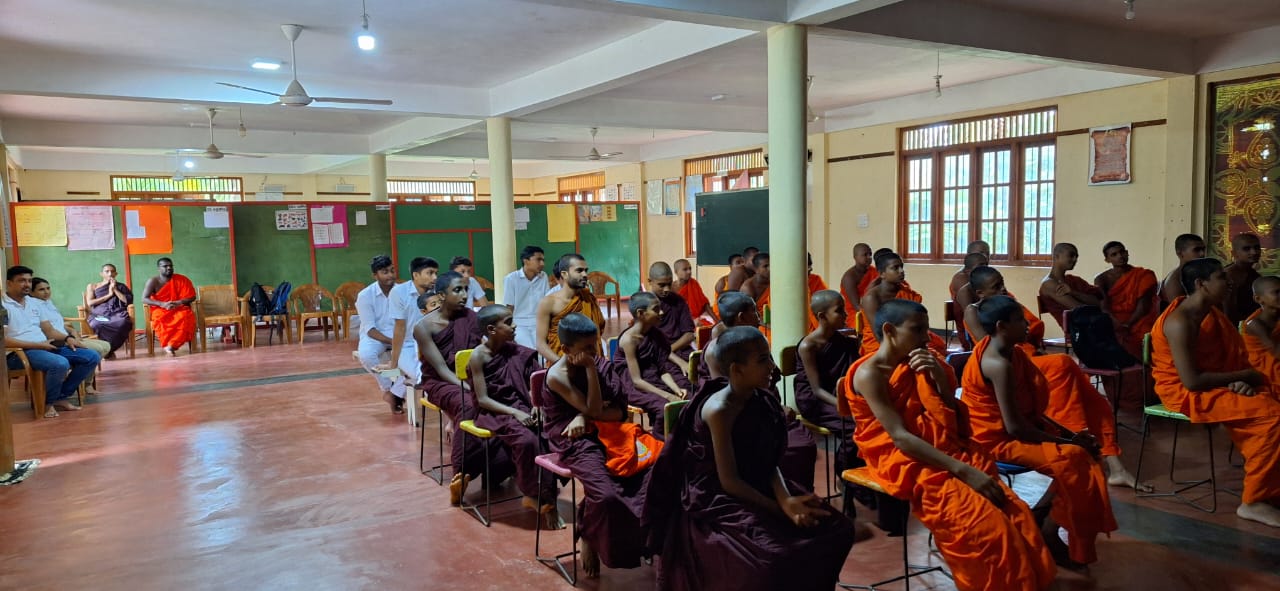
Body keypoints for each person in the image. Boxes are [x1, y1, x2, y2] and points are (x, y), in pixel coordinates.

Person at [845, 299, 1056, 591]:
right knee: (987, 528)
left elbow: (949, 419)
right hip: (902, 458)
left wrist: (940, 381)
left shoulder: (920, 362)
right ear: (890, 331)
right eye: (918, 330)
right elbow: (900, 437)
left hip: (942, 447)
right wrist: (964, 471)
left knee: (1017, 513)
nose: (926, 338)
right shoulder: (871, 374)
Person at [645, 326, 857, 590]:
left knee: (838, 530)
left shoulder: (760, 398)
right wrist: (780, 509)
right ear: (737, 370)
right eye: (763, 360)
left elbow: (767, 460)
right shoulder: (719, 410)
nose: (772, 367)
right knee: (773, 557)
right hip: (717, 493)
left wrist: (786, 499)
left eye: (769, 357)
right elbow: (729, 481)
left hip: (759, 481)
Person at [962, 295, 1118, 568]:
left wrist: (1070, 436)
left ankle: (1046, 517)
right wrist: (1069, 443)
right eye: (1020, 320)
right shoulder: (997, 365)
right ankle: (1048, 528)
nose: (1028, 325)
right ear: (1001, 326)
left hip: (1020, 429)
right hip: (994, 440)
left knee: (1087, 454)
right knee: (1074, 458)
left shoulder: (1015, 353)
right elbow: (1015, 427)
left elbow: (1030, 411)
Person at [963, 266, 1143, 491]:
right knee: (1063, 365)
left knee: (1091, 398)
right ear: (980, 293)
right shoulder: (982, 325)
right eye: (996, 286)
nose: (1003, 289)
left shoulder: (1010, 330)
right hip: (1001, 424)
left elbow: (1024, 339)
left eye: (1002, 283)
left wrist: (1071, 437)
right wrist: (1069, 439)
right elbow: (991, 343)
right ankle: (1080, 445)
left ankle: (1113, 463)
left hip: (1026, 358)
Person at [1152, 258, 1280, 527]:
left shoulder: (1212, 313)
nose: (1229, 282)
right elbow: (1191, 382)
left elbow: (1226, 362)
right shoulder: (1180, 321)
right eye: (1222, 277)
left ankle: (1271, 490)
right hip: (1184, 393)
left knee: (1272, 399)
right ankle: (1253, 501)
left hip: (1216, 384)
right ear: (1201, 284)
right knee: (1272, 416)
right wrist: (1243, 376)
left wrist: (1239, 380)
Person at [544, 313, 650, 576]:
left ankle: (646, 542)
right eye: (588, 348)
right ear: (566, 349)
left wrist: (585, 415)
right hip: (574, 439)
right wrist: (590, 372)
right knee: (607, 496)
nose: (595, 352)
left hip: (606, 429)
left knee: (649, 474)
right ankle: (587, 534)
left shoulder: (600, 364)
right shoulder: (558, 375)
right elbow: (595, 408)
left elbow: (619, 411)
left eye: (596, 344)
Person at [701, 290, 818, 491]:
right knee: (784, 450)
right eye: (755, 312)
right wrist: (774, 409)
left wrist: (774, 405)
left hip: (765, 407)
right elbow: (724, 389)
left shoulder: (753, 340)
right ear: (741, 317)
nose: (759, 316)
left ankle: (799, 494)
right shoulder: (717, 349)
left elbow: (771, 375)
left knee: (804, 444)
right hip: (741, 414)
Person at [414, 272, 513, 505]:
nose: (464, 295)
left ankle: (497, 468)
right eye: (457, 290)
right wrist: (471, 389)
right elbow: (441, 369)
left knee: (509, 399)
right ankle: (461, 472)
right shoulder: (424, 327)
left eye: (466, 289)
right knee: (470, 406)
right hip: (441, 383)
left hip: (474, 377)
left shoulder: (473, 318)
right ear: (441, 295)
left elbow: (490, 348)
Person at [468, 304, 562, 528]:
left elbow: (537, 382)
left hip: (522, 406)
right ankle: (536, 495)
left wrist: (537, 405)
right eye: (508, 322)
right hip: (494, 411)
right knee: (528, 440)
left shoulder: (517, 351)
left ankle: (546, 495)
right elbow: (483, 399)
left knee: (550, 433)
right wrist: (516, 412)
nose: (515, 326)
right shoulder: (478, 356)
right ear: (491, 329)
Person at [4, 266, 101, 418]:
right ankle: (48, 403)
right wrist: (39, 345)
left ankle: (60, 397)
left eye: (29, 281)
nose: (27, 284)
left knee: (91, 356)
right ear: (9, 283)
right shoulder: (3, 305)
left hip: (45, 346)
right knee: (60, 363)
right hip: (19, 352)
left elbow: (49, 330)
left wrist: (68, 339)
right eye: (22, 281)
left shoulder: (33, 303)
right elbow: (4, 340)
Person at [794, 289, 860, 471]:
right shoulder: (809, 346)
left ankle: (863, 472)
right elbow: (817, 390)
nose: (846, 314)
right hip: (815, 400)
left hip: (839, 394)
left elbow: (852, 375)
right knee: (854, 426)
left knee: (871, 419)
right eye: (839, 310)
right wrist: (846, 406)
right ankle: (844, 472)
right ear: (822, 316)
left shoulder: (844, 341)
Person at [613, 292, 690, 436]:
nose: (661, 312)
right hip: (633, 386)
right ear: (640, 313)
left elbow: (662, 370)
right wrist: (668, 396)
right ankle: (660, 443)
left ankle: (679, 441)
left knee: (687, 398)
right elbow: (636, 381)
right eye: (656, 309)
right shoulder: (629, 340)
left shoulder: (656, 335)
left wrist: (677, 390)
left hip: (653, 379)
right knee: (664, 407)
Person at [375, 256, 439, 414]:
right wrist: (394, 362)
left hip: (435, 342)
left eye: (436, 273)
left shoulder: (438, 291)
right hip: (408, 345)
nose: (434, 277)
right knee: (423, 375)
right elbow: (399, 329)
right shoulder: (399, 293)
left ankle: (395, 394)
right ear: (416, 275)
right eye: (430, 273)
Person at [859, 251, 946, 357]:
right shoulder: (871, 297)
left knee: (937, 348)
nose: (901, 271)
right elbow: (879, 334)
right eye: (895, 268)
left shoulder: (907, 293)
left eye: (901, 267)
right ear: (882, 274)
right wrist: (903, 350)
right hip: (881, 344)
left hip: (909, 337)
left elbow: (915, 321)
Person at [31, 277, 108, 394]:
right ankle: (85, 384)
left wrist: (72, 331)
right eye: (41, 289)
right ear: (32, 293)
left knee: (105, 345)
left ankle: (83, 379)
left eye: (48, 288)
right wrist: (69, 338)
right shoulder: (34, 306)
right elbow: (48, 329)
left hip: (66, 336)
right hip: (57, 341)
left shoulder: (48, 302)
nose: (46, 292)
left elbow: (58, 323)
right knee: (96, 350)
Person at [354, 255, 406, 411]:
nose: (390, 275)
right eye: (385, 272)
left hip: (400, 333)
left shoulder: (402, 291)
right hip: (374, 335)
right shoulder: (365, 296)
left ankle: (396, 391)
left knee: (415, 359)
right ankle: (388, 389)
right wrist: (393, 342)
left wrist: (400, 339)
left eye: (392, 270)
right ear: (375, 275)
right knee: (366, 355)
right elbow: (370, 330)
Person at [536, 253, 605, 364]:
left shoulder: (588, 298)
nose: (585, 274)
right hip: (561, 365)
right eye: (579, 271)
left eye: (586, 270)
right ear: (564, 274)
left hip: (591, 362)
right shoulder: (548, 303)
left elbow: (598, 329)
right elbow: (540, 344)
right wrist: (562, 364)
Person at [1094, 241, 1159, 358]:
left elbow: (1143, 306)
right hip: (1114, 318)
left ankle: (1145, 365)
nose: (1120, 256)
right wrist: (1116, 324)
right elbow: (1104, 306)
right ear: (1107, 260)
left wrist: (1128, 324)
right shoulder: (1101, 279)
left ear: (1127, 253)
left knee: (1147, 333)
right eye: (1114, 254)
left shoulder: (1143, 275)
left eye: (1122, 252)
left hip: (1139, 318)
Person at [1038, 243, 1102, 330]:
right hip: (1078, 330)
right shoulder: (1049, 284)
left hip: (1093, 324)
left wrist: (1073, 292)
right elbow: (1080, 309)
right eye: (1071, 255)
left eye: (1076, 257)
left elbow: (1097, 302)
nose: (1075, 260)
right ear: (1057, 256)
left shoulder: (1074, 280)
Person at [141, 257, 196, 356]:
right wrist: (163, 304)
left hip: (179, 308)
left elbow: (192, 296)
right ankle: (167, 343)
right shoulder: (153, 281)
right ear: (159, 268)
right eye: (165, 266)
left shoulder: (182, 280)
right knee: (159, 318)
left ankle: (172, 345)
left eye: (170, 266)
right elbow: (144, 299)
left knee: (185, 317)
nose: (169, 268)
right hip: (160, 309)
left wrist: (179, 302)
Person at [501, 245, 549, 350]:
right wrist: (508, 327)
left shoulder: (543, 277)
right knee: (529, 349)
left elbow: (547, 302)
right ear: (526, 261)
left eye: (543, 260)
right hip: (519, 323)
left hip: (539, 321)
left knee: (543, 350)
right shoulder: (511, 279)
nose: (542, 264)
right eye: (538, 260)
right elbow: (509, 307)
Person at [648, 262, 696, 362]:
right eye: (661, 285)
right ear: (650, 281)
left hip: (678, 348)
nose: (667, 289)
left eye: (669, 284)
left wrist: (669, 350)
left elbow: (689, 334)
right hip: (655, 352)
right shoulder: (644, 304)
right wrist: (665, 353)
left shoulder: (678, 301)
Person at [84, 263, 133, 358]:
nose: (110, 274)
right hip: (99, 314)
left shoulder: (121, 286)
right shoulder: (93, 286)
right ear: (101, 274)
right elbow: (90, 303)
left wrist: (115, 290)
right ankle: (105, 349)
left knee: (123, 322)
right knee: (96, 324)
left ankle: (109, 349)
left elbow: (127, 301)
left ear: (116, 274)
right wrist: (109, 294)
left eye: (112, 271)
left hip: (117, 314)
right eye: (107, 271)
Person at [1244, 276, 1280, 386]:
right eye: (1277, 292)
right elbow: (1277, 353)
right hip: (1266, 369)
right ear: (1258, 299)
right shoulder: (1254, 324)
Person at [950, 252, 990, 349]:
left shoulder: (984, 279)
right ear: (968, 270)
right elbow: (970, 315)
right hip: (972, 329)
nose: (985, 268)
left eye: (986, 264)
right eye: (981, 265)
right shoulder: (963, 282)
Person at [1224, 233, 1263, 325]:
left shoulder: (1254, 275)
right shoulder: (1229, 275)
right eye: (1246, 249)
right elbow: (1228, 309)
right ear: (1234, 253)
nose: (1254, 252)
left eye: (1257, 248)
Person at [1159, 233, 1206, 307]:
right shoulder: (1175, 282)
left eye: (1203, 249)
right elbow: (1184, 311)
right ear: (1180, 254)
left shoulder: (1193, 273)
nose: (1202, 254)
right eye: (1197, 250)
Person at [838, 243, 877, 327]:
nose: (869, 257)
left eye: (870, 254)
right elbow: (857, 306)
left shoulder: (874, 271)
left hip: (873, 308)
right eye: (865, 255)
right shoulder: (849, 277)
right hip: (854, 313)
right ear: (855, 257)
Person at [739, 252, 771, 341]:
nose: (770, 269)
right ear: (756, 269)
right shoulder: (748, 287)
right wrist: (773, 326)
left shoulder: (775, 281)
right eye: (765, 266)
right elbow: (751, 316)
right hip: (759, 326)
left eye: (772, 265)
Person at [672, 259, 714, 325]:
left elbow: (704, 304)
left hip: (698, 318)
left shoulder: (694, 283)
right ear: (676, 272)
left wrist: (716, 320)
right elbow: (673, 312)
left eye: (690, 268)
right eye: (685, 269)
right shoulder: (671, 288)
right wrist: (691, 321)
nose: (689, 272)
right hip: (681, 321)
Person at [804, 253, 828, 331]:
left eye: (810, 265)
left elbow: (827, 305)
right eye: (807, 265)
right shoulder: (779, 287)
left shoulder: (815, 280)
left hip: (817, 330)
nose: (811, 269)